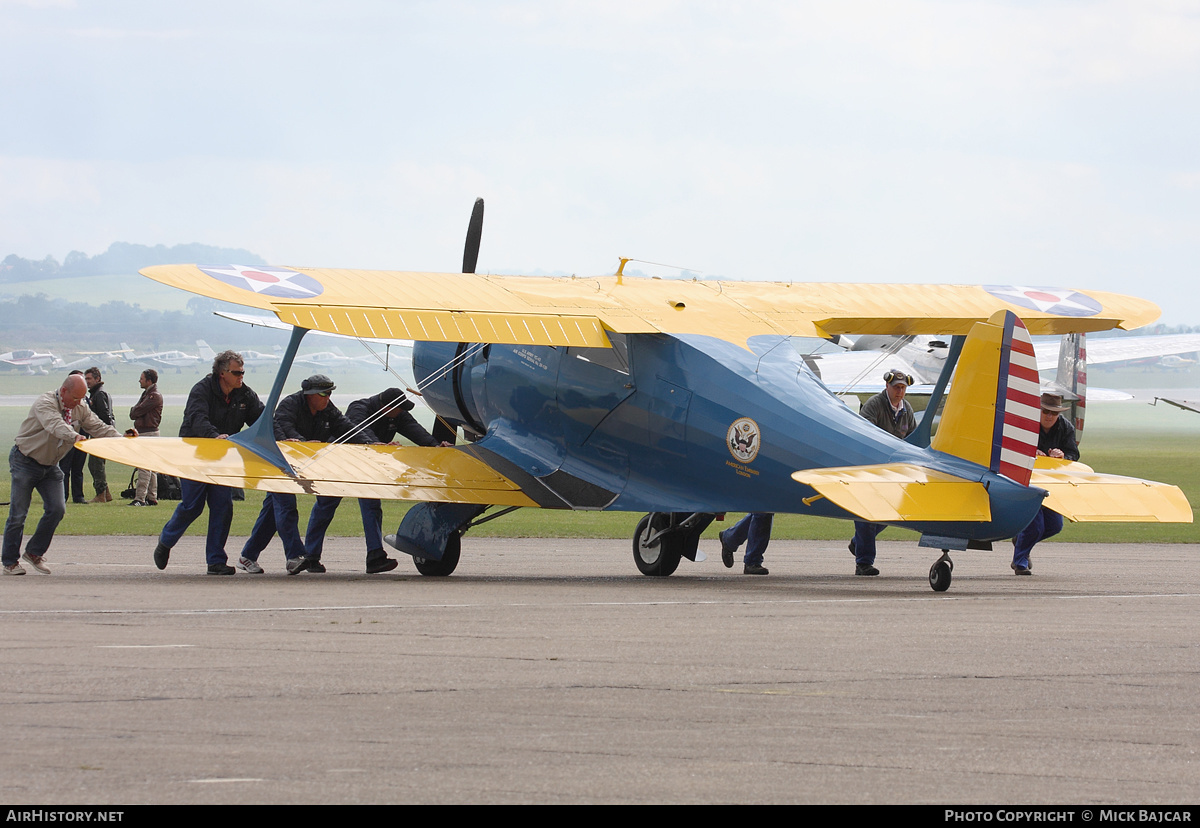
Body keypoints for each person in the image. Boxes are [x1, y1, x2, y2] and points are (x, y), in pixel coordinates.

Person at [238, 374, 373, 575]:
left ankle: (247, 556)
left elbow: (346, 426)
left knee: (271, 513)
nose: (327, 398)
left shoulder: (328, 408)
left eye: (329, 393)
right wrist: (305, 445)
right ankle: (294, 556)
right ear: (310, 395)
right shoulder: (289, 405)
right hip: (278, 463)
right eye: (323, 394)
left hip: (301, 464)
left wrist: (370, 443)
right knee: (286, 506)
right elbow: (285, 430)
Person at [4, 373, 135, 575]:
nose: (77, 404)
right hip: (25, 460)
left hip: (50, 465)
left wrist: (121, 439)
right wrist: (75, 436)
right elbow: (55, 426)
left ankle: (33, 552)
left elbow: (98, 426)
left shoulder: (80, 406)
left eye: (81, 399)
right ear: (63, 391)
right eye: (74, 398)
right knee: (19, 514)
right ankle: (10, 562)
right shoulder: (45, 403)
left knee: (57, 509)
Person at [309, 387, 450, 574]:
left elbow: (414, 430)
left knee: (372, 508)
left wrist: (435, 445)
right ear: (386, 407)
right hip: (342, 464)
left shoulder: (397, 414)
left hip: (368, 468)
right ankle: (310, 556)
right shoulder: (359, 407)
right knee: (325, 507)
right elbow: (358, 429)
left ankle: (375, 556)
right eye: (399, 409)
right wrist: (378, 444)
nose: (401, 413)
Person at [154, 351, 263, 575]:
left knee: (223, 506)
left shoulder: (244, 394)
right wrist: (214, 436)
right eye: (236, 372)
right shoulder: (201, 390)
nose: (241, 376)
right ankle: (165, 541)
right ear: (222, 373)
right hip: (194, 454)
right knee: (192, 506)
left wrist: (282, 435)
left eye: (242, 372)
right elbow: (197, 418)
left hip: (222, 458)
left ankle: (215, 561)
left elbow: (261, 420)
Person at [849, 370, 917, 576]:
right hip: (869, 467)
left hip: (894, 470)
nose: (900, 391)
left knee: (894, 512)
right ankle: (864, 562)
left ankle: (858, 544)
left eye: (903, 387)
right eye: (896, 387)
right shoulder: (874, 405)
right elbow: (866, 434)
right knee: (865, 514)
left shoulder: (907, 409)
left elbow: (913, 436)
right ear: (887, 386)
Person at [1011, 393, 1079, 575]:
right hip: (1027, 483)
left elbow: (1074, 455)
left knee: (1055, 526)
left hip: (1051, 483)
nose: (1049, 416)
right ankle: (1020, 563)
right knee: (1035, 526)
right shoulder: (1026, 426)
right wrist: (1030, 453)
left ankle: (1021, 541)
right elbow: (1010, 450)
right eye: (1045, 411)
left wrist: (1063, 456)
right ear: (1038, 411)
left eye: (1054, 413)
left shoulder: (1066, 428)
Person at [128, 369, 163, 507]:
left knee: (144, 467)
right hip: (148, 432)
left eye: (141, 378)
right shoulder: (147, 394)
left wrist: (134, 410)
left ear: (149, 380)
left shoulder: (153, 396)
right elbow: (135, 412)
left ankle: (140, 498)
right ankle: (152, 497)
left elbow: (136, 411)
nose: (139, 381)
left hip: (148, 433)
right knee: (151, 468)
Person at [83, 366, 114, 502]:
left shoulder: (99, 395)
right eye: (86, 379)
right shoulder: (97, 393)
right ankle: (106, 493)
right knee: (96, 464)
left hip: (100, 434)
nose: (87, 381)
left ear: (98, 379)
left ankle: (100, 493)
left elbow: (104, 416)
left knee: (95, 464)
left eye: (89, 378)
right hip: (101, 433)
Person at [58, 370, 88, 505]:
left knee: (78, 468)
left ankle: (78, 496)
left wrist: (119, 437)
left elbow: (96, 424)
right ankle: (62, 496)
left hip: (82, 438)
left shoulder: (83, 402)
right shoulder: (53, 402)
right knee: (64, 468)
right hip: (67, 439)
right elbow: (55, 424)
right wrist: (73, 435)